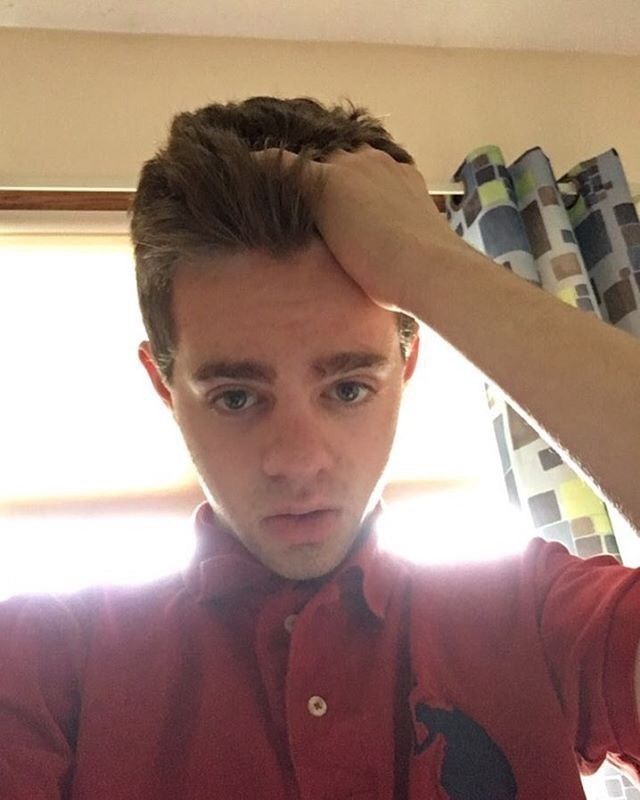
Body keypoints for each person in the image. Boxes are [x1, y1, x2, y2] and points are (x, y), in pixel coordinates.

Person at [1, 96, 639, 799]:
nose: (299, 461)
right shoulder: (41, 665)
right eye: (236, 397)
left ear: (407, 365)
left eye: (349, 388)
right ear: (164, 384)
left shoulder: (539, 618)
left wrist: (432, 269)